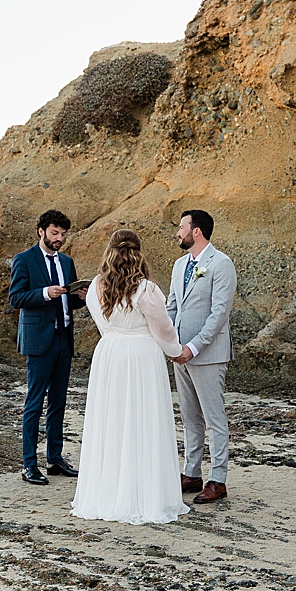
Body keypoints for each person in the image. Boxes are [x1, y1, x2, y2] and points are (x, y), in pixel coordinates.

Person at [72, 229, 188, 524]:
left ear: (109, 251)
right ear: (139, 252)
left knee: (111, 423)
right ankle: (142, 495)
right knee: (142, 422)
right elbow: (163, 329)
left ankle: (107, 494)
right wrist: (176, 351)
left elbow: (101, 323)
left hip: (109, 354)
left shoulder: (96, 286)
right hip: (140, 356)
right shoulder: (146, 289)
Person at [8, 209, 87, 486]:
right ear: (41, 231)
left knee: (58, 402)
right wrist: (44, 293)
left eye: (63, 234)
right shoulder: (24, 260)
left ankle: (54, 458)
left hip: (64, 339)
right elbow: (16, 298)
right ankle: (29, 465)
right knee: (34, 403)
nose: (59, 239)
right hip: (39, 340)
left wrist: (82, 297)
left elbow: (71, 303)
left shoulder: (67, 261)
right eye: (55, 233)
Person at [167, 209, 237, 504]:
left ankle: (217, 480)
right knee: (189, 416)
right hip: (179, 352)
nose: (178, 232)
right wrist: (169, 343)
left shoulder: (221, 264)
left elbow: (219, 313)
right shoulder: (180, 264)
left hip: (206, 354)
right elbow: (172, 306)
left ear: (196, 231)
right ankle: (191, 473)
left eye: (182, 227)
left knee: (214, 418)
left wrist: (193, 347)